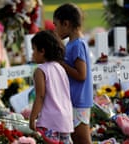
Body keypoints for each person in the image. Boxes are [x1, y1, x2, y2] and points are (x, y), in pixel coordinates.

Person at [53, 3, 93, 144]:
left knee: (82, 140)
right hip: (74, 100)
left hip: (78, 100)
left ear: (66, 23)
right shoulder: (72, 44)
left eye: (56, 25)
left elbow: (81, 75)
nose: (55, 29)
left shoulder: (77, 45)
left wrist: (61, 63)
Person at [29, 30, 74, 144]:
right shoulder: (60, 68)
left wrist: (32, 117)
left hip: (50, 120)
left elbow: (40, 96)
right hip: (65, 119)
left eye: (34, 49)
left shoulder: (40, 71)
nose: (32, 54)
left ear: (42, 51)